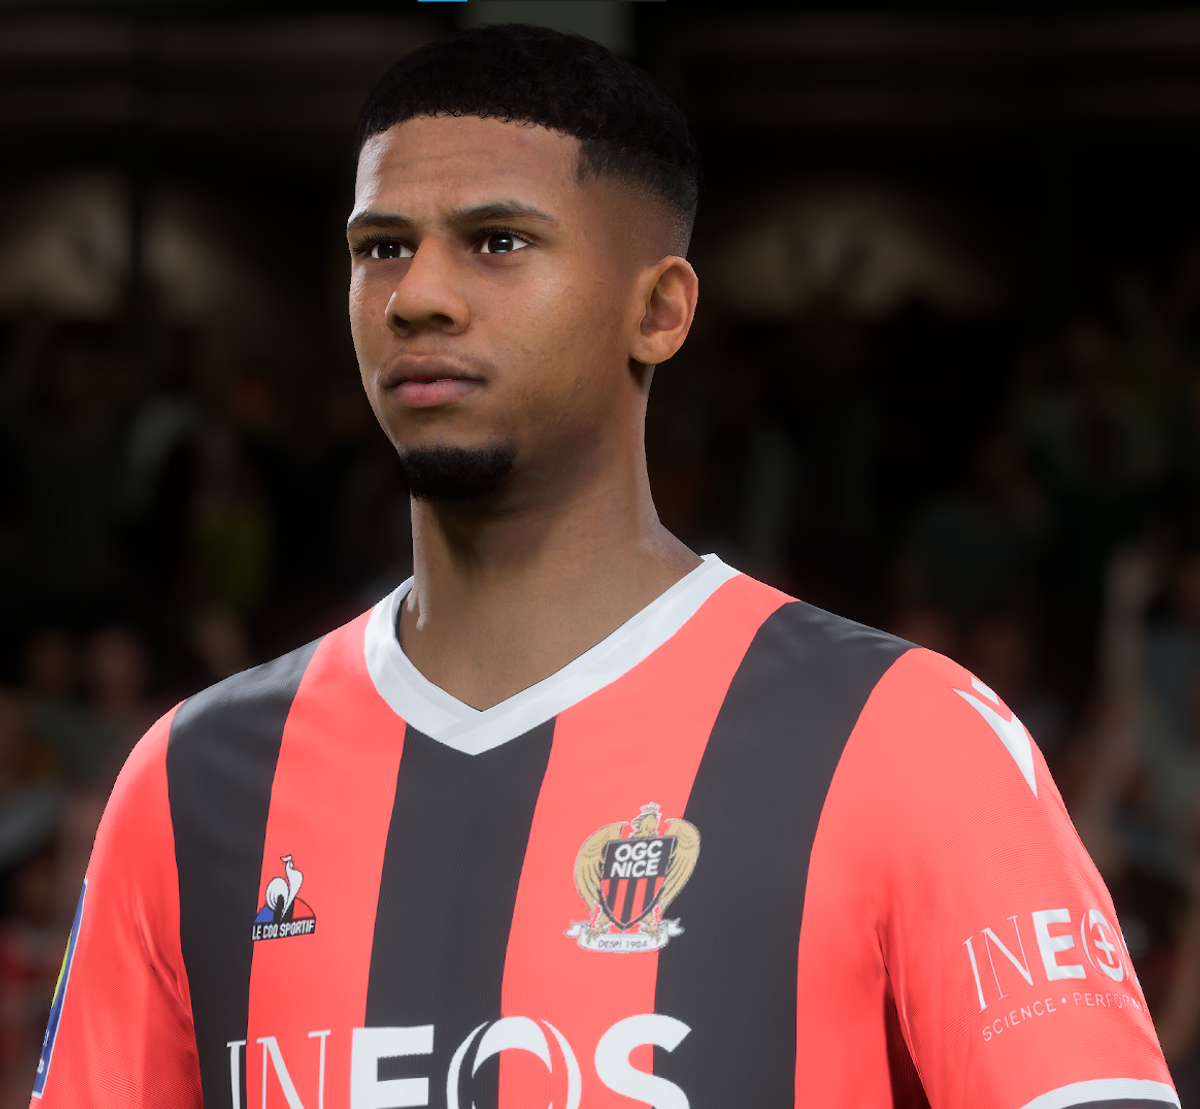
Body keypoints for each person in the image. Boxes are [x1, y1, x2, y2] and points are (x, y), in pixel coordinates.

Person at [29, 24, 1175, 1109]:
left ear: (660, 310)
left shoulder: (904, 736)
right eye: (382, 247)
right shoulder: (189, 779)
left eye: (497, 241)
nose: (418, 295)